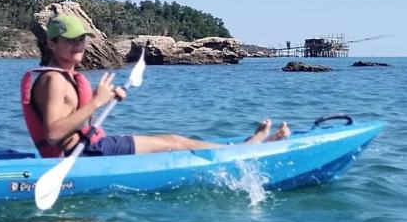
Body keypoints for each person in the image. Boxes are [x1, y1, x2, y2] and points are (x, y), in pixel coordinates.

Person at [21, 14, 290, 158]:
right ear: (52, 44)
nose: (78, 44)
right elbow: (55, 133)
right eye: (69, 40)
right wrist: (96, 101)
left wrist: (103, 97)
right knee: (172, 142)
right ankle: (243, 151)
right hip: (86, 153)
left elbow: (73, 121)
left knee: (170, 140)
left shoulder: (64, 76)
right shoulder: (53, 80)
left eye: (81, 39)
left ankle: (241, 147)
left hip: (90, 146)